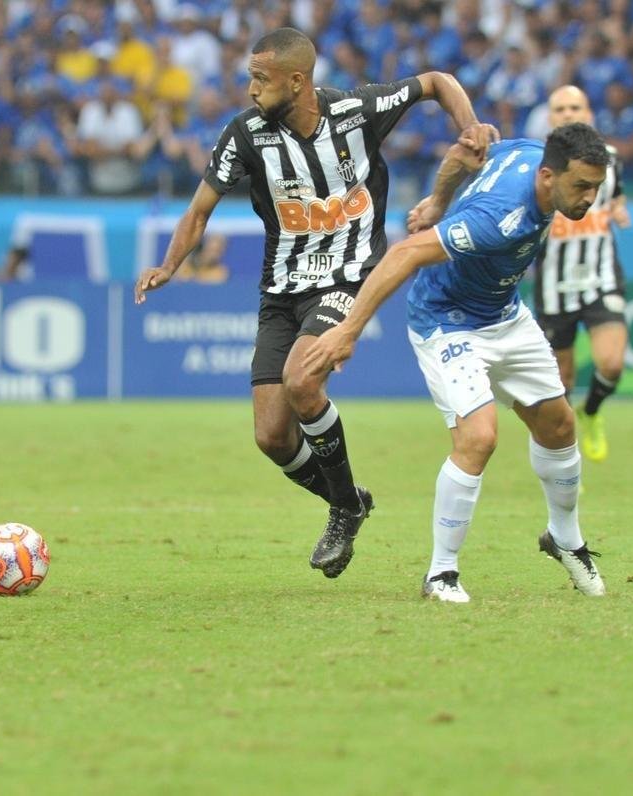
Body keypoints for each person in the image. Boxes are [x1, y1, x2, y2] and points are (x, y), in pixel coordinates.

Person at [134, 28, 495, 579]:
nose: (252, 89)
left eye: (262, 79)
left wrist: (468, 127)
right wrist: (169, 264)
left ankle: (343, 511)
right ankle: (349, 500)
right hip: (281, 291)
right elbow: (199, 209)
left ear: (297, 81)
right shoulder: (245, 134)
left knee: (302, 381)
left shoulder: (356, 112)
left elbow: (437, 81)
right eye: (250, 78)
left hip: (348, 277)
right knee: (271, 436)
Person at [303, 124, 611, 603]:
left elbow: (466, 152)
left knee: (559, 426)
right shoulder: (500, 217)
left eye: (595, 187)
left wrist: (437, 201)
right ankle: (441, 573)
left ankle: (565, 539)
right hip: (447, 321)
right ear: (548, 176)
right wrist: (348, 331)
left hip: (505, 314)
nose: (590, 198)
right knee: (478, 438)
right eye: (582, 186)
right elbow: (405, 253)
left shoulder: (530, 151)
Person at [531, 86, 628, 464]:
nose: (568, 113)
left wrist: (619, 209)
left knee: (612, 363)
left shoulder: (611, 160)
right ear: (549, 117)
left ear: (588, 113)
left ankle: (592, 411)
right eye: (560, 108)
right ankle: (566, 460)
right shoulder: (536, 164)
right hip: (554, 285)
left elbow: (616, 195)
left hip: (601, 278)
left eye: (575, 106)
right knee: (562, 381)